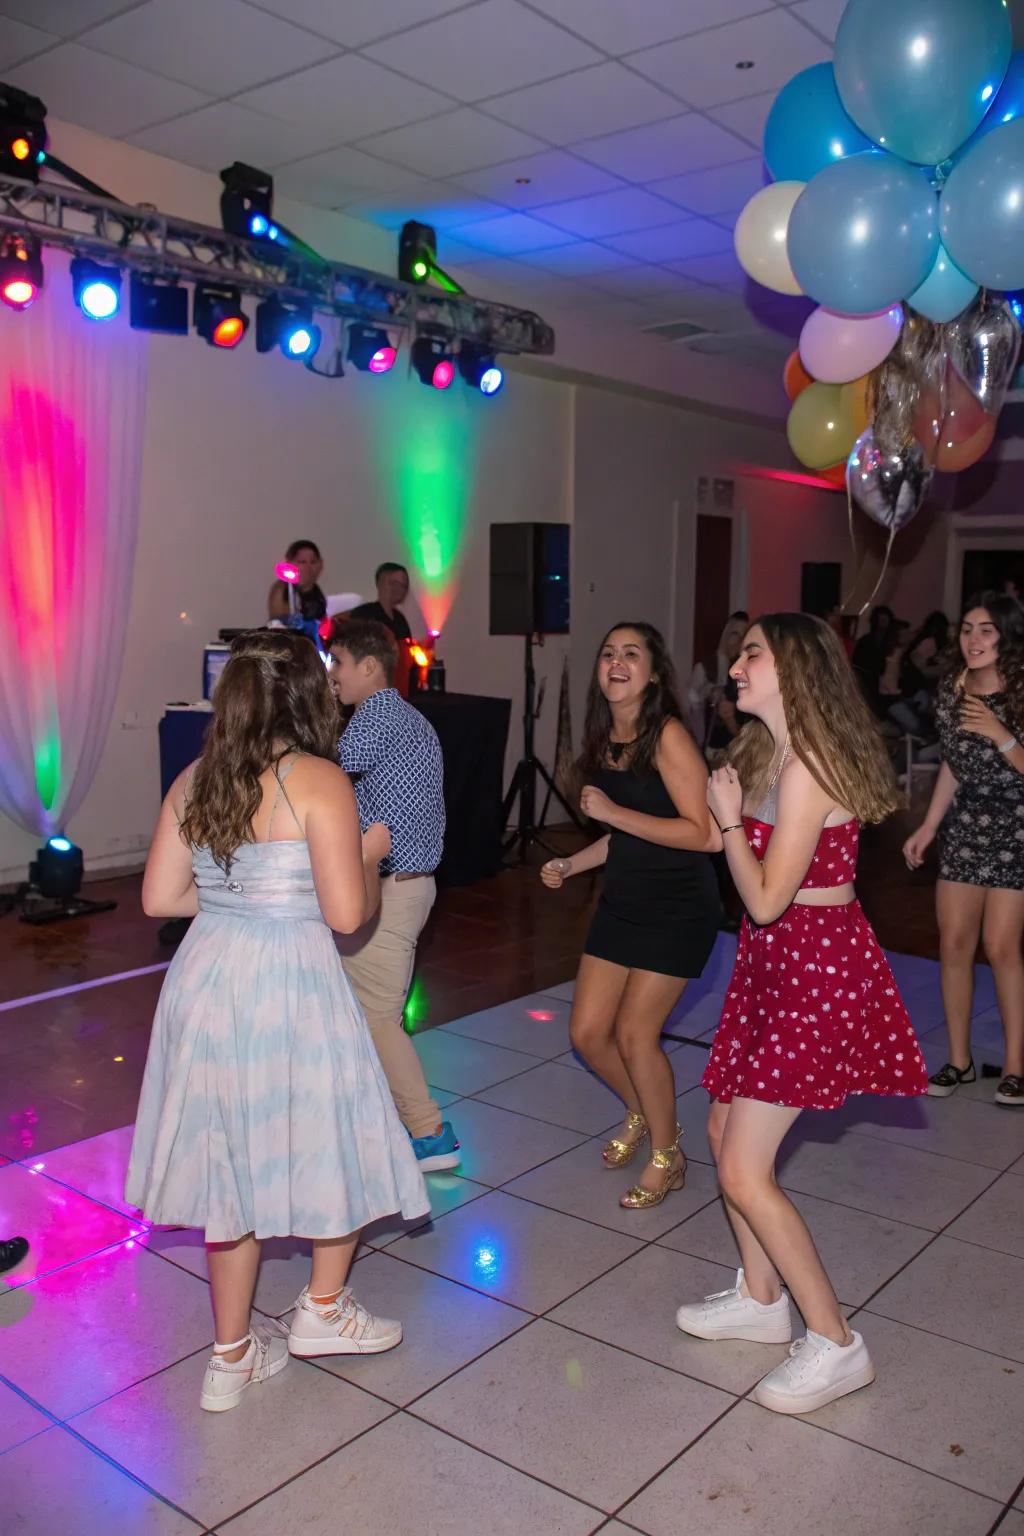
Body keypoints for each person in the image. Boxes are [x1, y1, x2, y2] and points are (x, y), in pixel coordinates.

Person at [127, 630, 428, 1413]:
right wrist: (368, 851)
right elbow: (348, 916)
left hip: (209, 974)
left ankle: (229, 1357)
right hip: (290, 979)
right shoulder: (321, 779)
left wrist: (238, 897)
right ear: (307, 696)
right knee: (335, 1131)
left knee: (227, 1156)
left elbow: (160, 899)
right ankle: (323, 1310)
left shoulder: (198, 778)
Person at [675, 613, 928, 1415]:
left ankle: (834, 1341)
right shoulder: (766, 752)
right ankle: (760, 1298)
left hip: (814, 969)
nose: (736, 664)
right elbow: (742, 867)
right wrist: (719, 812)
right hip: (769, 964)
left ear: (795, 668)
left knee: (747, 1168)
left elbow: (763, 894)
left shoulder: (808, 768)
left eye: (752, 653)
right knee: (721, 1134)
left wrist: (722, 818)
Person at [540, 622, 720, 1209]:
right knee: (588, 1034)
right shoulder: (602, 742)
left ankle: (668, 1156)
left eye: (631, 654)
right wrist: (573, 864)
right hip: (625, 897)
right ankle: (645, 1111)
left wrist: (614, 811)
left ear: (653, 673)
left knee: (636, 1035)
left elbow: (705, 834)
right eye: (608, 653)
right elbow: (621, 838)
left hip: (677, 905)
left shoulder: (666, 736)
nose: (617, 662)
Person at [327, 618, 458, 1170]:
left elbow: (326, 776)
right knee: (356, 1012)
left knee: (377, 1017)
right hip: (401, 885)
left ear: (369, 666)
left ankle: (430, 1134)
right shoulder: (410, 719)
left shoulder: (376, 716)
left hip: (392, 888)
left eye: (337, 663)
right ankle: (369, 1123)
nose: (331, 676)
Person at [903, 592, 1024, 1108]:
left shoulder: (1020, 693)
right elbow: (953, 762)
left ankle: (1016, 1068)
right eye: (968, 629)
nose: (973, 640)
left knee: (1000, 947)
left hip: (1016, 828)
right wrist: (929, 825)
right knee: (953, 943)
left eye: (987, 630)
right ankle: (959, 1060)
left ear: (1007, 637)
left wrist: (1000, 733)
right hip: (966, 827)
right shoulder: (952, 690)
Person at [686, 612, 748, 747]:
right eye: (735, 634)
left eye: (743, 635)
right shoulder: (706, 667)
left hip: (738, 745)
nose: (739, 640)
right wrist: (708, 693)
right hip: (711, 746)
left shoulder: (748, 670)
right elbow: (690, 705)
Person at [350, 562, 413, 643]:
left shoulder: (400, 619)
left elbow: (407, 648)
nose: (399, 589)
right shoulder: (363, 614)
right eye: (394, 583)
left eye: (404, 585)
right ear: (380, 583)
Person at [267, 539, 327, 622]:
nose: (308, 567)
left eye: (313, 562)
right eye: (302, 562)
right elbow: (278, 625)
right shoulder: (282, 589)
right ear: (289, 563)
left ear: (320, 564)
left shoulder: (316, 591)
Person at [851, 603, 895, 716]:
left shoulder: (894, 640)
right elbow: (857, 662)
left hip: (890, 686)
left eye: (885, 619)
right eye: (880, 619)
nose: (883, 622)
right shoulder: (866, 641)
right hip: (870, 683)